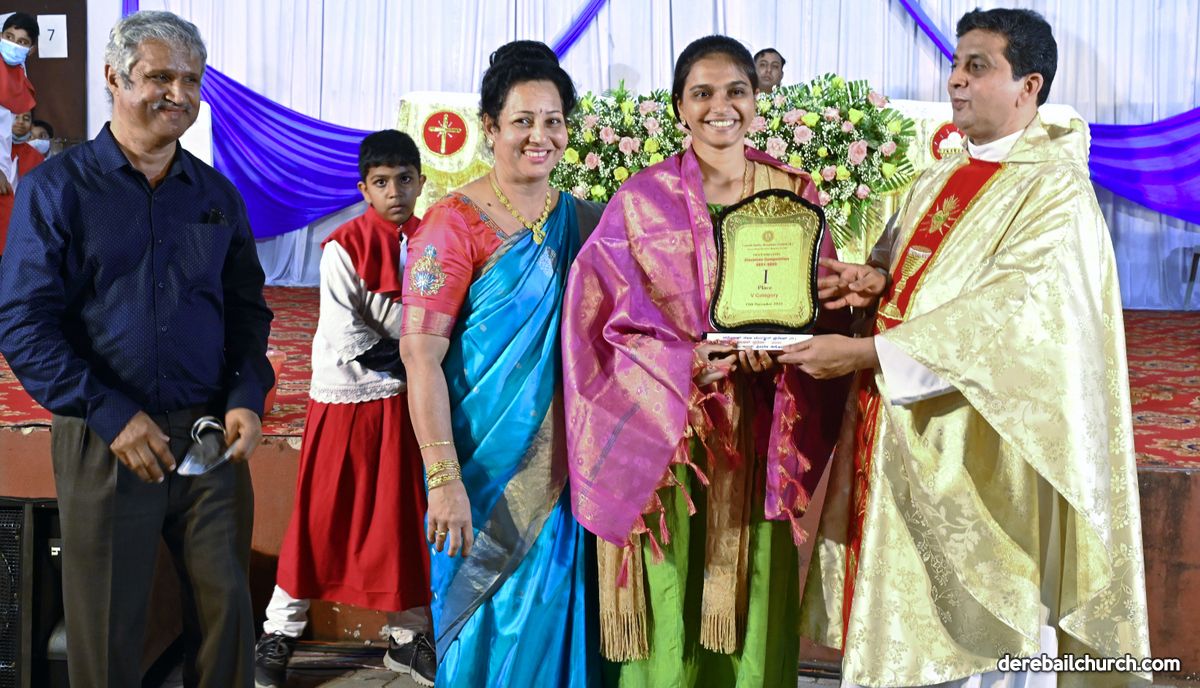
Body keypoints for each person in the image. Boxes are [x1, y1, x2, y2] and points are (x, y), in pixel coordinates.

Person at [782, 8, 1152, 687]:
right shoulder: (938, 176)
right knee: (903, 629)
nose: (955, 81)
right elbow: (919, 274)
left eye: (977, 67)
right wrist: (875, 280)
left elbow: (1011, 315)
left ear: (1029, 86)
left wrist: (866, 356)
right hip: (901, 432)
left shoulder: (1055, 191)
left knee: (984, 645)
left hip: (979, 453)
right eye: (955, 65)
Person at [562, 35, 850, 687]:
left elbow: (820, 307)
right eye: (703, 93)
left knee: (751, 596)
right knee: (672, 594)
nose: (721, 106)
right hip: (668, 437)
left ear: (757, 100)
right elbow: (595, 325)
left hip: (759, 429)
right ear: (679, 108)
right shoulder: (641, 200)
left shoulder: (792, 192)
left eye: (736, 91)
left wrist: (782, 350)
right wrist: (683, 361)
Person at [0, 10, 273, 687]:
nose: (179, 94)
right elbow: (25, 323)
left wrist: (246, 395)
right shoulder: (57, 190)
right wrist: (109, 412)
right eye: (160, 77)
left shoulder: (215, 195)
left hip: (210, 438)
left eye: (192, 80)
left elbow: (246, 311)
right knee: (105, 631)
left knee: (228, 619)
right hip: (107, 438)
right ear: (114, 78)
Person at [399, 40, 603, 687]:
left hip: (564, 472)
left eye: (553, 121)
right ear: (489, 128)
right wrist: (443, 480)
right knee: (482, 630)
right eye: (523, 121)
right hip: (479, 475)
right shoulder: (452, 226)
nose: (540, 136)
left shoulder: (582, 220)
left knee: (553, 618)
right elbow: (420, 358)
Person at [254, 129, 435, 688]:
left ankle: (407, 638)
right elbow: (346, 333)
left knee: (400, 517)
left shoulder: (432, 241)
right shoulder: (342, 246)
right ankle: (280, 631)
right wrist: (423, 365)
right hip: (346, 395)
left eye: (404, 179)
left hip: (401, 399)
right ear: (364, 189)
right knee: (320, 515)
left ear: (421, 182)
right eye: (381, 182)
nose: (394, 192)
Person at [0, 13, 36, 253]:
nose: (13, 45)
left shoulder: (18, 74)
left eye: (22, 42)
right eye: (9, 37)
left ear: (31, 50)